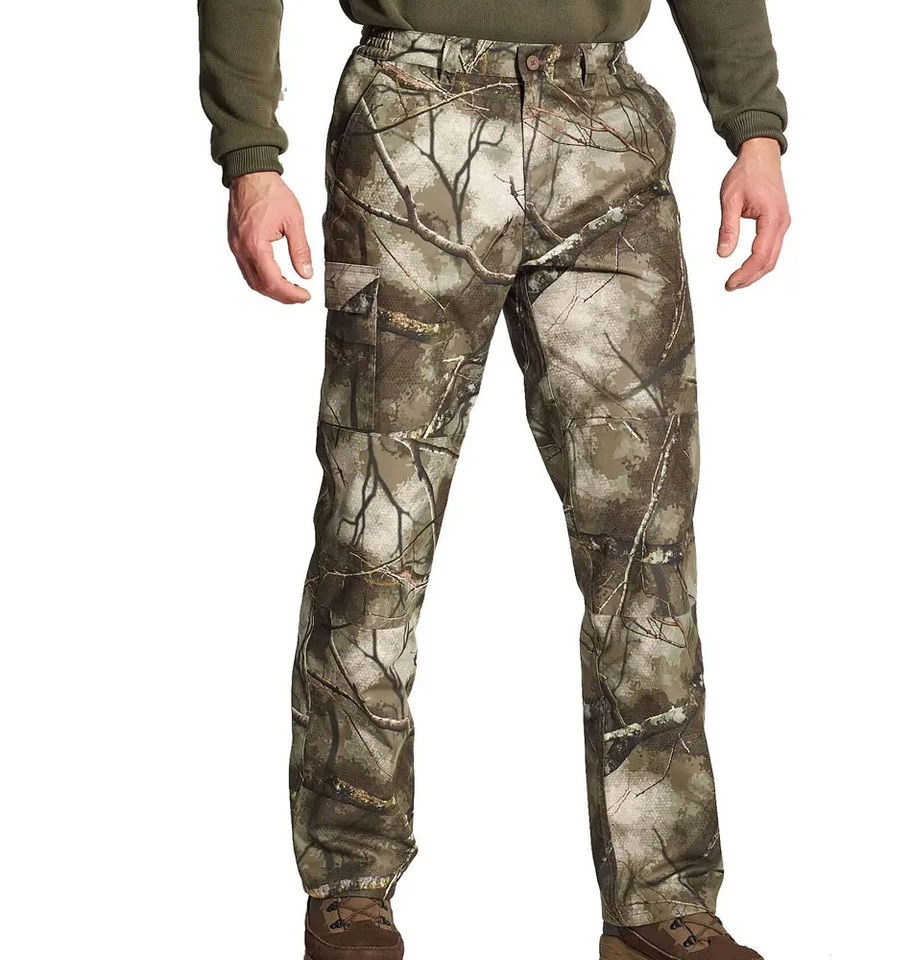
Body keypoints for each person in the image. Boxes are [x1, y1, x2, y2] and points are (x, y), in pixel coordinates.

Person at [198, 2, 789, 958]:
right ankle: (348, 887)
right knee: (373, 531)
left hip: (605, 124)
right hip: (412, 115)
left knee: (646, 543)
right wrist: (250, 154)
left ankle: (661, 903)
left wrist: (754, 127)